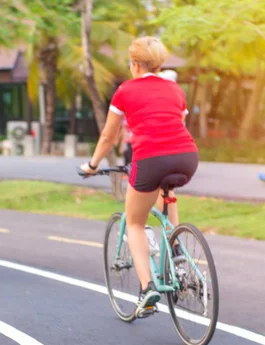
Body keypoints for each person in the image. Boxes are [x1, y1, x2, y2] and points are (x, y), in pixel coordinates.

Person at [80, 37, 198, 318]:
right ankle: (177, 247)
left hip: (150, 158)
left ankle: (147, 289)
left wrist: (93, 165)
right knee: (166, 192)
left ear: (135, 64)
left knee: (134, 221)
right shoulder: (175, 90)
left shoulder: (125, 90)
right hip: (187, 155)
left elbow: (109, 136)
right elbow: (175, 124)